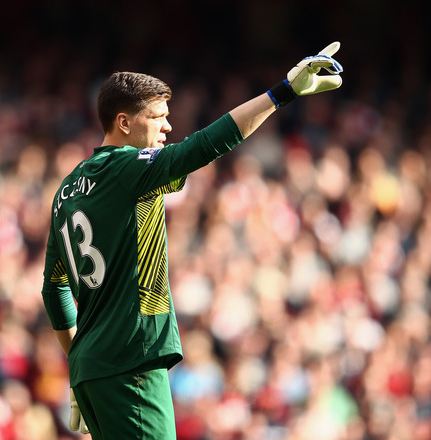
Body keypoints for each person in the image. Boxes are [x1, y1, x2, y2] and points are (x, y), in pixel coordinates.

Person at [41, 42, 344, 439]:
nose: (168, 127)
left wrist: (78, 360)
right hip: (131, 361)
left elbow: (54, 287)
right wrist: (281, 92)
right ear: (124, 122)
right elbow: (207, 144)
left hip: (92, 371)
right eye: (158, 117)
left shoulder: (67, 188)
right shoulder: (130, 169)